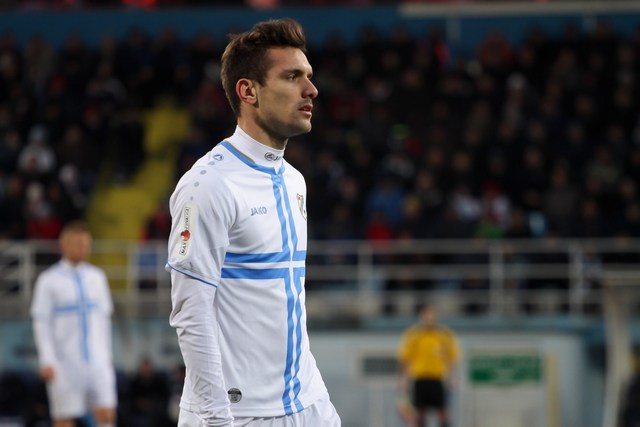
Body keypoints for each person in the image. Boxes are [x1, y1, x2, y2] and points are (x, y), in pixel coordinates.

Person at [166, 18, 341, 427]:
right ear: (248, 91)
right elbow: (191, 313)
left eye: (309, 76)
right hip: (239, 414)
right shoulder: (208, 185)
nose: (311, 89)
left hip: (309, 404)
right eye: (292, 77)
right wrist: (217, 419)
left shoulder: (294, 181)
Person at [30, 220, 117, 427]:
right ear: (64, 245)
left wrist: (107, 357)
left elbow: (104, 321)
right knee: (64, 419)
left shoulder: (97, 277)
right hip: (64, 362)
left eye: (86, 244)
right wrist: (47, 360)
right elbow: (41, 322)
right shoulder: (49, 280)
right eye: (78, 244)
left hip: (97, 359)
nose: (83, 249)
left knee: (106, 413)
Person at [396, 304, 460, 427]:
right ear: (421, 316)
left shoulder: (445, 334)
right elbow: (405, 359)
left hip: (438, 378)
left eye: (432, 315)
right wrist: (402, 380)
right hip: (420, 378)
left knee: (443, 412)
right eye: (426, 315)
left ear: (436, 316)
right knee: (419, 413)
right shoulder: (413, 334)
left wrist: (453, 378)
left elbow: (452, 358)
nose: (429, 318)